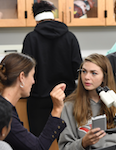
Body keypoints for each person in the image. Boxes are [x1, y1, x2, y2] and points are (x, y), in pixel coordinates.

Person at [22, 1, 82, 136]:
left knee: (38, 142)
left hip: (38, 100)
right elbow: (77, 69)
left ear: (36, 20)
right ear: (53, 17)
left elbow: (24, 70)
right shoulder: (70, 37)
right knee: (67, 141)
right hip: (65, 98)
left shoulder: (31, 38)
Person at [58, 53, 116, 150]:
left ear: (104, 77)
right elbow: (64, 147)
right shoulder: (69, 106)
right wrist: (83, 143)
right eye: (84, 71)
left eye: (93, 73)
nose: (86, 77)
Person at [0, 53, 66, 150]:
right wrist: (57, 109)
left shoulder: (6, 108)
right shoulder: (5, 115)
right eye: (32, 76)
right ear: (22, 77)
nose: (33, 81)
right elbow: (37, 148)